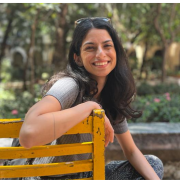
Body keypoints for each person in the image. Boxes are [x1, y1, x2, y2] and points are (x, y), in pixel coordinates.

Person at [19, 17, 164, 180]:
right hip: (46, 176)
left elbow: (131, 151)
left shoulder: (112, 94)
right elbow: (28, 134)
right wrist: (89, 107)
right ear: (77, 58)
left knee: (153, 164)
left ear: (116, 51)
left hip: (84, 175)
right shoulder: (69, 85)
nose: (100, 54)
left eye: (107, 46)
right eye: (90, 48)